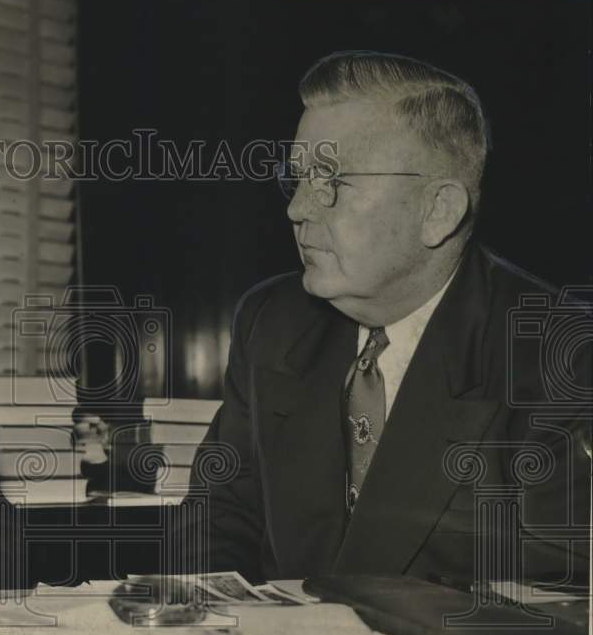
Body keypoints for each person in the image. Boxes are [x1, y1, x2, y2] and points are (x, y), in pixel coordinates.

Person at [187, 51, 590, 585]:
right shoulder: (273, 321)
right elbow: (219, 522)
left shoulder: (560, 356)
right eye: (299, 179)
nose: (298, 208)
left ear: (437, 211)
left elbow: (560, 596)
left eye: (332, 182)